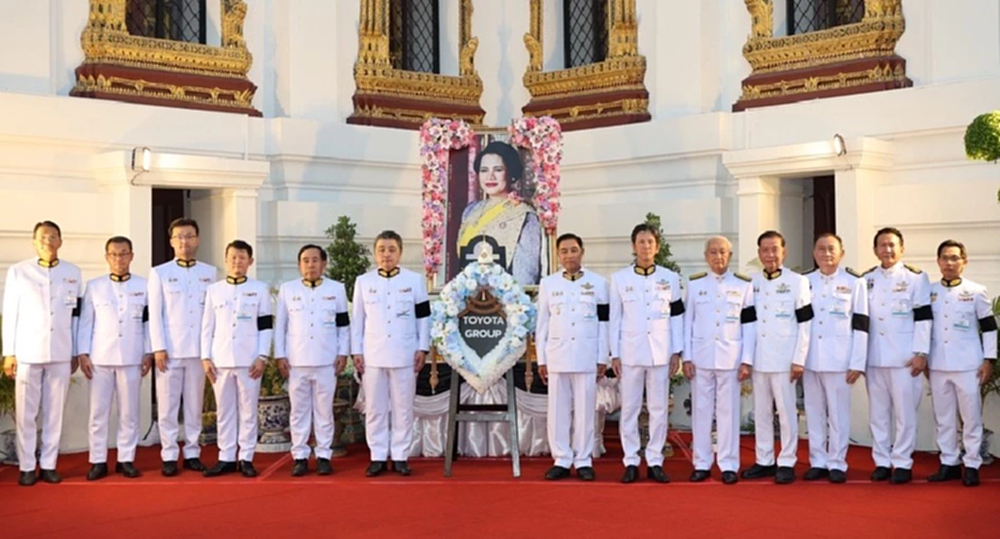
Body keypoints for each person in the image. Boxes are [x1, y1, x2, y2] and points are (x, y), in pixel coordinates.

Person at [2, 221, 82, 486]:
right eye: (43, 237)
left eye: (53, 237)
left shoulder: (73, 272)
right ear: (34, 242)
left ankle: (48, 464)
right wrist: (9, 353)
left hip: (61, 350)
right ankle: (26, 466)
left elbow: (77, 316)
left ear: (61, 241)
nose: (48, 241)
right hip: (28, 351)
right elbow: (10, 313)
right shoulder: (20, 271)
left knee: (54, 411)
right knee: (26, 412)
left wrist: (76, 350)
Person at [609, 224, 684, 483]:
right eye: (641, 242)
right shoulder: (619, 279)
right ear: (633, 246)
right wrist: (614, 354)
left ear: (657, 247)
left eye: (650, 242)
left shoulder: (670, 278)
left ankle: (654, 460)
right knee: (629, 408)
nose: (645, 247)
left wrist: (677, 351)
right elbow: (614, 319)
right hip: (630, 353)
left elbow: (677, 317)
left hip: (660, 353)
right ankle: (630, 460)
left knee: (658, 408)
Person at [352, 231, 430, 477]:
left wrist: (423, 347)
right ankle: (377, 455)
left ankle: (400, 455)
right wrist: (356, 351)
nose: (387, 254)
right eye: (382, 249)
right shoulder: (363, 282)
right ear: (375, 253)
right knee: (375, 407)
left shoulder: (414, 281)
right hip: (373, 354)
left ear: (400, 252)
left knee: (403, 407)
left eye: (392, 249)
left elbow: (424, 318)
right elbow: (357, 320)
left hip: (405, 352)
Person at [77, 236, 153, 480]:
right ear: (106, 257)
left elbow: (149, 323)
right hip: (100, 357)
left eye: (123, 253)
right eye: (114, 254)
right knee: (98, 413)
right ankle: (98, 460)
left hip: (132, 356)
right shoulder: (95, 286)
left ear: (131, 256)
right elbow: (86, 322)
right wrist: (83, 353)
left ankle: (126, 459)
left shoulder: (144, 285)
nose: (119, 258)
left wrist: (149, 351)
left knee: (129, 413)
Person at [535, 233, 609, 481]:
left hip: (587, 354)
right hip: (557, 355)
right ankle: (561, 458)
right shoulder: (549, 284)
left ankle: (584, 459)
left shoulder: (599, 283)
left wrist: (603, 357)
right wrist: (541, 359)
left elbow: (605, 323)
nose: (569, 255)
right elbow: (542, 324)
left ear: (582, 252)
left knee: (586, 410)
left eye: (573, 250)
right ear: (558, 255)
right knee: (558, 410)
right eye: (564, 251)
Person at [683, 236, 755, 485]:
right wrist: (687, 357)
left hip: (730, 358)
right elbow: (687, 323)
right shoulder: (694, 285)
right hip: (701, 357)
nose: (718, 257)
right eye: (713, 252)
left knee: (728, 413)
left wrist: (747, 360)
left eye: (722, 252)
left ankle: (728, 464)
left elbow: (749, 325)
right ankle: (701, 463)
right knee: (701, 412)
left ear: (730, 255)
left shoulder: (744, 285)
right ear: (706, 256)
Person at [148, 217, 217, 476]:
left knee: (193, 404)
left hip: (199, 351)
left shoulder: (209, 273)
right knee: (167, 405)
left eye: (189, 236)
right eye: (179, 237)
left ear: (197, 239)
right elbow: (155, 313)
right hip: (170, 350)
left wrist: (208, 350)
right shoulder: (160, 273)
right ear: (171, 242)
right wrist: (158, 347)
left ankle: (192, 452)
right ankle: (168, 454)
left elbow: (211, 316)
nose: (184, 241)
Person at [742, 230, 811, 485]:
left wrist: (799, 358)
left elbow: (805, 323)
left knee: (785, 412)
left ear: (784, 251)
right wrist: (746, 359)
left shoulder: (797, 282)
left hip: (785, 359)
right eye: (765, 250)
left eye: (775, 249)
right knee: (760, 412)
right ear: (759, 253)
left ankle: (787, 460)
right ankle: (764, 459)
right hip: (759, 358)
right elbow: (747, 325)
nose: (770, 254)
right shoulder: (751, 283)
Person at [274, 244, 350, 477]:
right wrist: (280, 355)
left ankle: (324, 455)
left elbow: (343, 325)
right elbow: (281, 327)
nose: (310, 265)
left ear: (324, 264)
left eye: (315, 260)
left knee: (324, 410)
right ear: (299, 265)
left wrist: (343, 352)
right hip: (297, 360)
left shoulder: (336, 289)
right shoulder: (287, 290)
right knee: (299, 411)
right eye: (305, 260)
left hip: (326, 359)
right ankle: (300, 456)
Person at [864, 227, 932, 484]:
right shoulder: (866, 279)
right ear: (875, 250)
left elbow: (924, 318)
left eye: (892, 245)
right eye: (882, 245)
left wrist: (921, 353)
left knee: (905, 414)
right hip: (874, 358)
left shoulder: (916, 278)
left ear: (901, 248)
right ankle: (881, 461)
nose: (887, 250)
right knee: (878, 415)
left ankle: (902, 462)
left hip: (905, 359)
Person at [201, 240, 273, 478]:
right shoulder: (214, 290)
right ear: (226, 259)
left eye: (242, 258)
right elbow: (207, 327)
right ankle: (226, 457)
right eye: (232, 257)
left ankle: (247, 457)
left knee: (248, 411)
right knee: (225, 411)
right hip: (220, 360)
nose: (237, 262)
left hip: (249, 360)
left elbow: (265, 326)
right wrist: (205, 357)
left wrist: (262, 356)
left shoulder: (260, 289)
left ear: (250, 262)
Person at [927, 239, 996, 487]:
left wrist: (989, 360)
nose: (949, 262)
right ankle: (949, 463)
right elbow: (924, 328)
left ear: (964, 262)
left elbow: (989, 327)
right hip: (937, 364)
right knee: (943, 417)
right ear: (938, 261)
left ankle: (973, 464)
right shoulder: (930, 291)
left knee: (971, 416)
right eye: (944, 257)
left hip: (968, 364)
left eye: (955, 258)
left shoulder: (976, 291)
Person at [802, 233, 869, 484]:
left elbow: (862, 324)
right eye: (821, 249)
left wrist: (857, 362)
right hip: (810, 358)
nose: (826, 253)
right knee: (814, 411)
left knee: (838, 414)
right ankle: (818, 460)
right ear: (813, 253)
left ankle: (837, 462)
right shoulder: (804, 281)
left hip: (841, 359)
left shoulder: (854, 282)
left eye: (832, 249)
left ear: (842, 253)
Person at [457, 141, 544, 285]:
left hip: (506, 298)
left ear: (510, 173)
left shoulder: (523, 214)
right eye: (484, 170)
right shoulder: (470, 211)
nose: (490, 177)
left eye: (497, 170)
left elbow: (526, 275)